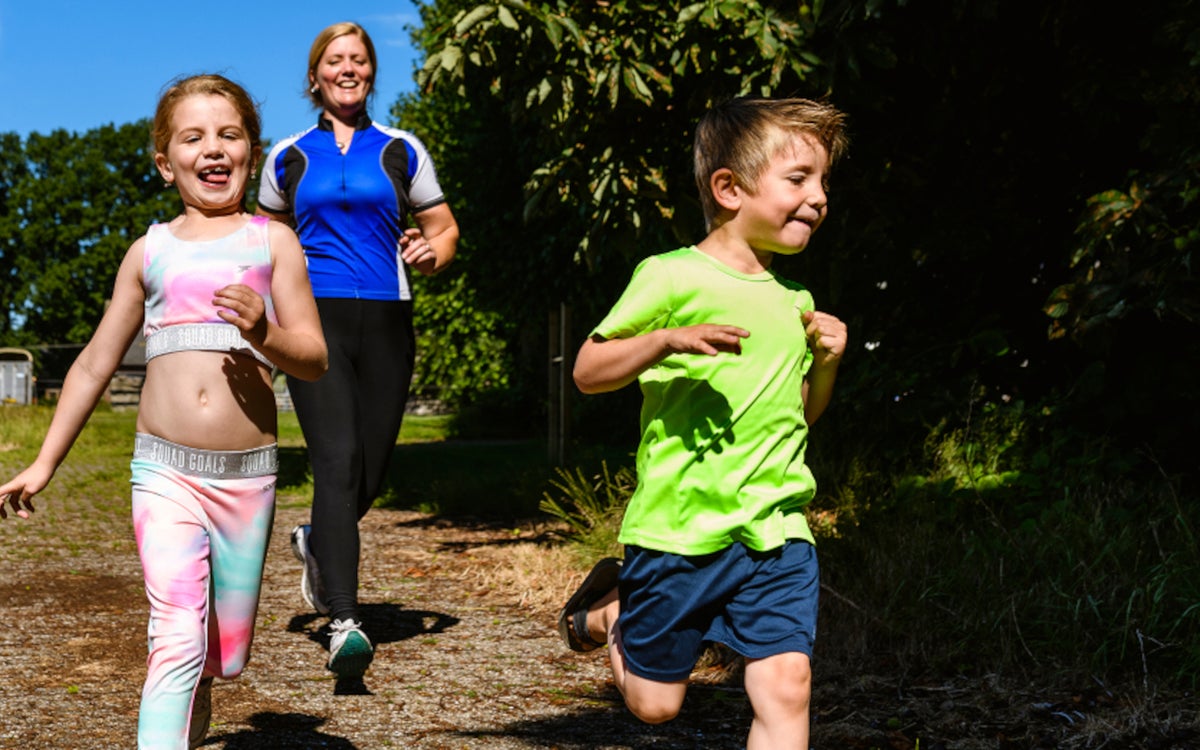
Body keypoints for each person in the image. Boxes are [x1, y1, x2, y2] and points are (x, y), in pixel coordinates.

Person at [0, 74, 327, 749]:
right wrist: (43, 462)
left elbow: (314, 357)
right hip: (164, 473)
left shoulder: (275, 245)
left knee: (221, 653)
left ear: (252, 151)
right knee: (176, 630)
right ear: (164, 161)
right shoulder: (149, 254)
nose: (213, 149)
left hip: (246, 478)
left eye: (229, 135)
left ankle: (201, 683)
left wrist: (264, 332)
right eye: (194, 137)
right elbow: (93, 363)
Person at [558, 97, 849, 749]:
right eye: (800, 178)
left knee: (787, 684)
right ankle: (613, 609)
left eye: (825, 181)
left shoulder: (794, 302)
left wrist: (825, 368)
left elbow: (795, 417)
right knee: (656, 706)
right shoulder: (668, 277)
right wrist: (664, 340)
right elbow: (588, 370)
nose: (820, 196)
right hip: (679, 528)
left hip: (776, 529)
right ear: (729, 188)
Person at [256, 21, 459, 679]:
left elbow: (443, 226)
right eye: (336, 60)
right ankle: (344, 620)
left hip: (389, 320)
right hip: (314, 324)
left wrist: (433, 252)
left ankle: (319, 541)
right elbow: (263, 238)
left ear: (371, 72)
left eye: (360, 60)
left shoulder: (402, 149)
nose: (349, 69)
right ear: (315, 75)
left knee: (368, 470)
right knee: (336, 461)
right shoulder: (288, 155)